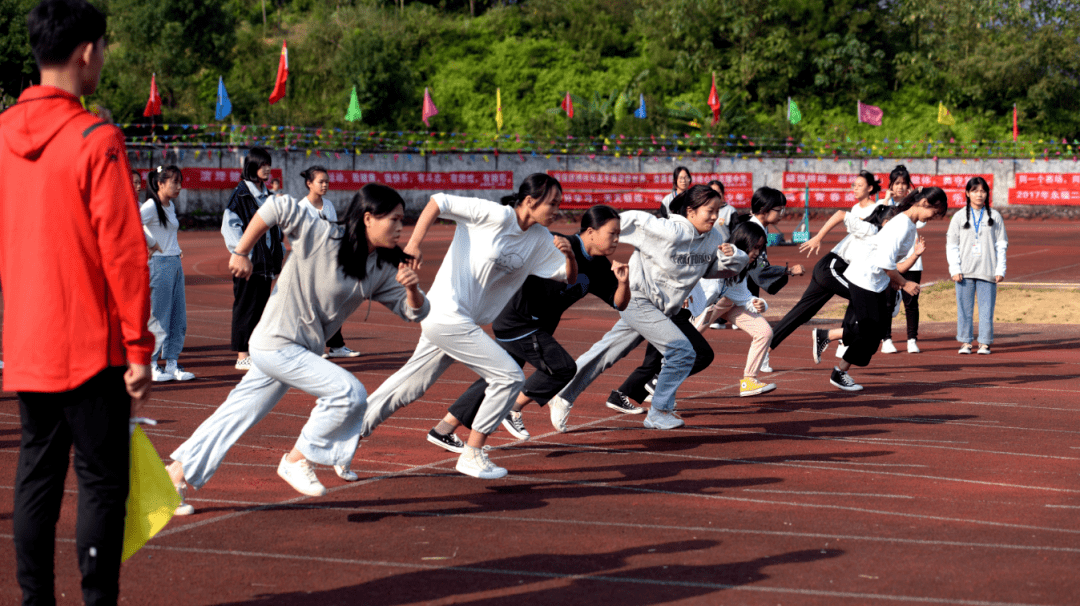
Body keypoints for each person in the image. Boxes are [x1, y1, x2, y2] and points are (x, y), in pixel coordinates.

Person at [0, 1, 154, 603]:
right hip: (91, 346)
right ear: (87, 51)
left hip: (29, 342)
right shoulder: (96, 137)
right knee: (98, 483)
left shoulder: (4, 135)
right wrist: (138, 346)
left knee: (35, 477)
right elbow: (123, 252)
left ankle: (34, 598)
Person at [168, 183, 428, 511]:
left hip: (299, 352)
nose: (400, 228)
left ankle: (175, 473)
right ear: (367, 218)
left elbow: (416, 313)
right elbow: (275, 208)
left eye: (402, 221)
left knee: (236, 414)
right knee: (349, 392)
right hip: (275, 341)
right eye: (394, 220)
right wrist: (241, 251)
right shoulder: (321, 233)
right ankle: (298, 458)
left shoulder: (381, 267)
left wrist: (412, 291)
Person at [356, 174, 576, 480]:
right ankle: (473, 452)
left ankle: (348, 431)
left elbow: (568, 276)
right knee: (509, 376)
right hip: (446, 313)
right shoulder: (493, 215)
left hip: (460, 321)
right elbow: (438, 201)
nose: (557, 210)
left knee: (409, 386)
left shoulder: (540, 238)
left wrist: (569, 256)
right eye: (553, 203)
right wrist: (414, 244)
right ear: (529, 201)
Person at [425, 205, 630, 449]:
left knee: (498, 376)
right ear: (591, 232)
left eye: (619, 234)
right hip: (517, 320)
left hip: (535, 328)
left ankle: (443, 429)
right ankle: (512, 409)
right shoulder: (555, 242)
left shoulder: (599, 265)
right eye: (612, 233)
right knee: (562, 368)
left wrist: (623, 283)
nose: (617, 239)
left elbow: (619, 303)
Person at [546, 185, 748, 432]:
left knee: (607, 351)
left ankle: (563, 395)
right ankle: (659, 410)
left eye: (719, 210)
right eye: (710, 211)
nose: (716, 216)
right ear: (691, 211)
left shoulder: (714, 239)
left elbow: (714, 270)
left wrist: (732, 257)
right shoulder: (666, 230)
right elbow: (624, 221)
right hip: (637, 298)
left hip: (665, 310)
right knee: (682, 350)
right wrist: (584, 240)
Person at [811, 188, 948, 391]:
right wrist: (904, 283)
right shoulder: (901, 224)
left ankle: (829, 341)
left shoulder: (909, 226)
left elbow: (893, 266)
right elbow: (886, 264)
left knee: (873, 331)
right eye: (935, 212)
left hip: (876, 281)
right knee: (870, 330)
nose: (934, 218)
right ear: (925, 202)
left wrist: (913, 257)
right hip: (863, 278)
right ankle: (838, 370)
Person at [768, 205, 899, 352]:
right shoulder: (870, 229)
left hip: (832, 271)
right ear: (886, 222)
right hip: (832, 269)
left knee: (800, 314)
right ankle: (838, 340)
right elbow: (840, 214)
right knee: (861, 294)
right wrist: (818, 237)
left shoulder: (884, 238)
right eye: (898, 225)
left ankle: (764, 350)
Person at [689, 219, 775, 396]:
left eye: (760, 248)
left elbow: (742, 295)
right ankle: (658, 382)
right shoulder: (720, 253)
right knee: (685, 347)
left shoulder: (742, 268)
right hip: (706, 307)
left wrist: (758, 303)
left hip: (729, 304)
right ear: (743, 242)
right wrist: (686, 295)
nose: (757, 253)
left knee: (764, 332)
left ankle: (749, 381)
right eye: (755, 247)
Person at [222, 146, 284, 371]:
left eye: (268, 164)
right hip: (248, 263)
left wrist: (279, 251)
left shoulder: (268, 195)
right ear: (251, 167)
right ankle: (242, 355)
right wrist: (243, 256)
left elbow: (275, 229)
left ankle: (256, 351)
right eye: (262, 165)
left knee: (261, 309)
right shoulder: (241, 195)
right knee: (245, 308)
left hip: (265, 262)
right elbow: (230, 227)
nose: (267, 169)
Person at [294, 165, 361, 359]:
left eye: (327, 182)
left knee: (333, 305)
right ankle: (309, 346)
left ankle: (336, 346)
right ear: (309, 184)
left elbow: (334, 231)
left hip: (330, 262)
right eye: (320, 182)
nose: (325, 185)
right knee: (312, 307)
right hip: (310, 264)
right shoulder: (302, 207)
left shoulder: (328, 205)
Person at [142, 165, 195, 382]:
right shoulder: (150, 206)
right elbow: (132, 220)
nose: (179, 187)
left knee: (177, 316)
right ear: (160, 184)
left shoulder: (169, 206)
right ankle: (152, 364)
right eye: (174, 182)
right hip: (159, 264)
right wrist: (152, 243)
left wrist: (174, 249)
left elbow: (169, 233)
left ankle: (172, 362)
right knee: (159, 315)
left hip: (174, 262)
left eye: (180, 182)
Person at [744, 187, 804, 372]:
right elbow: (759, 269)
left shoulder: (756, 227)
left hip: (741, 285)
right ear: (764, 209)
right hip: (727, 287)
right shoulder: (754, 231)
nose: (782, 214)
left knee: (761, 329)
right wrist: (788, 271)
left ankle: (756, 367)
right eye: (779, 210)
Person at [947, 177, 1007, 355]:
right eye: (974, 191)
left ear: (987, 193)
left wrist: (1000, 269)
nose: (979, 195)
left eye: (982, 191)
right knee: (964, 308)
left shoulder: (994, 216)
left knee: (986, 308)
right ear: (967, 193)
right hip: (964, 271)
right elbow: (952, 245)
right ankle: (965, 342)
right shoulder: (958, 217)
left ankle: (984, 342)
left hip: (987, 270)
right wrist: (955, 269)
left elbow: (1001, 244)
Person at [882, 165, 923, 353]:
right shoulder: (883, 205)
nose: (900, 187)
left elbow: (921, 221)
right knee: (887, 302)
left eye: (904, 184)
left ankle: (912, 339)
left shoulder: (914, 205)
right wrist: (886, 200)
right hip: (890, 261)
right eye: (896, 183)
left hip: (913, 258)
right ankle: (887, 338)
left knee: (911, 300)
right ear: (890, 185)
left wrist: (915, 197)